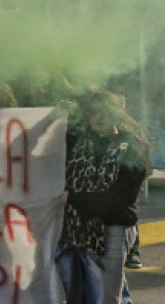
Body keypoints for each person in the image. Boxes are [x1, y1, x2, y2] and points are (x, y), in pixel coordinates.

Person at [59, 90, 150, 304]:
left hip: (113, 228)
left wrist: (74, 198)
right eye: (93, 113)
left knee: (107, 296)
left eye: (104, 113)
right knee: (85, 292)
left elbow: (119, 199)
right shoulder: (82, 142)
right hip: (81, 231)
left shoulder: (131, 146)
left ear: (116, 115)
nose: (98, 118)